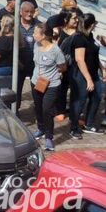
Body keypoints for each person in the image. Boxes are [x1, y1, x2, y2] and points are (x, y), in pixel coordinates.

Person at [31, 23, 66, 151]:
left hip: (51, 84)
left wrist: (52, 74)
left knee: (47, 109)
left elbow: (63, 67)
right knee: (38, 107)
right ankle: (41, 128)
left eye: (35, 33)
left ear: (43, 36)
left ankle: (49, 137)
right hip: (36, 82)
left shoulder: (56, 50)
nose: (33, 35)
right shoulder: (36, 45)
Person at [69, 14, 103, 138]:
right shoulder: (79, 38)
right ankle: (73, 128)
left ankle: (88, 124)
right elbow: (80, 60)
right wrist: (88, 79)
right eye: (95, 24)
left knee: (97, 95)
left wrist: (102, 69)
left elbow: (94, 55)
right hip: (80, 75)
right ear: (92, 24)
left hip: (93, 73)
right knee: (80, 100)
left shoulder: (90, 36)